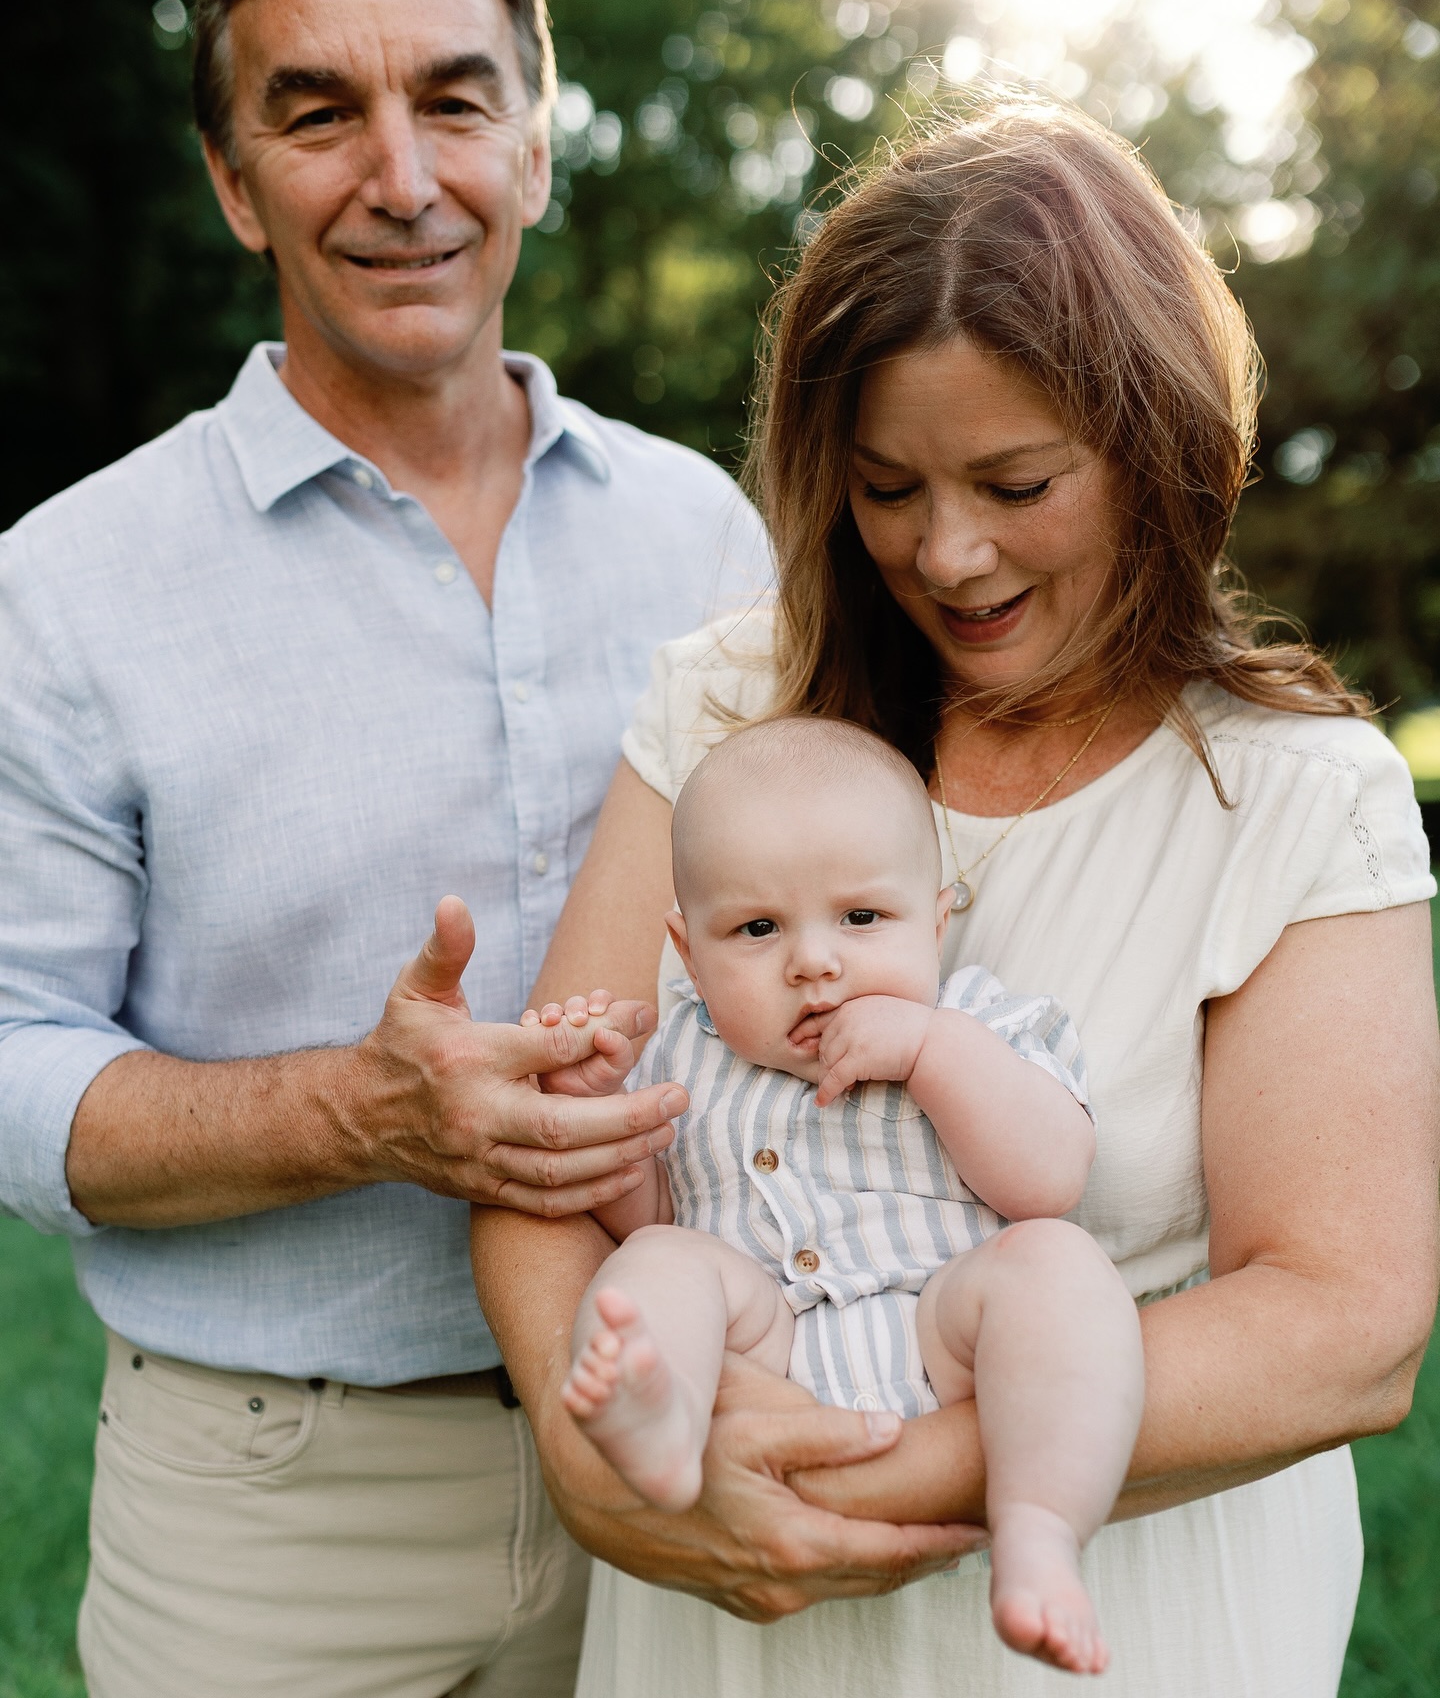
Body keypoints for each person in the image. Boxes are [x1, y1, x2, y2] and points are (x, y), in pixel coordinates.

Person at [471, 97, 1440, 1698]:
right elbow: (547, 1155)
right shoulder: (733, 712)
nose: (951, 554)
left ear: (1155, 442)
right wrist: (609, 1468)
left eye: (1016, 481)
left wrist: (845, 1476)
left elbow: (1346, 1322)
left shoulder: (1287, 794)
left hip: (1128, 1604)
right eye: (888, 487)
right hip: (722, 1607)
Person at [0, 0, 775, 1693]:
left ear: (537, 132)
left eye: (455, 97)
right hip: (271, 1515)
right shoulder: (67, 584)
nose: (403, 177)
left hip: (688, 1432)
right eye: (317, 111)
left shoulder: (711, 538)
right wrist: (354, 1112)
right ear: (229, 178)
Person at [558, 716, 1145, 1676]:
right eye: (757, 929)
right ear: (687, 950)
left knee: (1055, 1265)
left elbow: (1049, 1181)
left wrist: (928, 1051)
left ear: (937, 918)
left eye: (862, 919)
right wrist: (603, 1124)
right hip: (772, 1349)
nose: (815, 962)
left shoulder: (979, 1022)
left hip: (947, 1336)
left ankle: (1039, 1531)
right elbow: (654, 1215)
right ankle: (660, 1426)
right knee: (655, 1264)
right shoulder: (680, 1058)